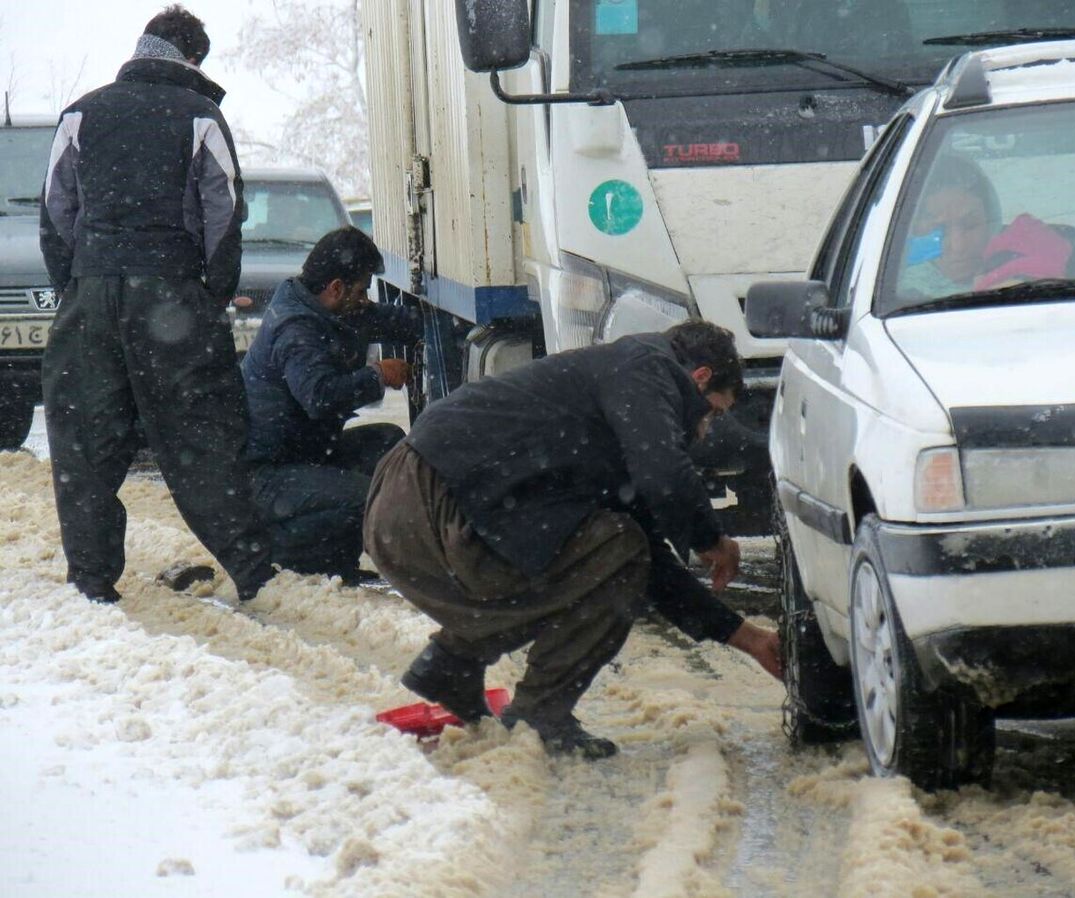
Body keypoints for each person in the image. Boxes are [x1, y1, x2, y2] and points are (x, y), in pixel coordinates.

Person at [363, 321, 783, 759]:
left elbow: (654, 569)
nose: (707, 429)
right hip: (429, 502)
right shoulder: (646, 366)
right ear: (700, 378)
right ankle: (539, 712)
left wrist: (749, 639)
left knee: (607, 559)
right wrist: (709, 537)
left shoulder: (621, 386)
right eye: (714, 412)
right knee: (617, 554)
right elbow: (665, 476)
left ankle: (453, 666)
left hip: (406, 512)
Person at [39, 5, 274, 604]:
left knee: (85, 441)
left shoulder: (80, 112)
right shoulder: (200, 114)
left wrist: (80, 283)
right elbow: (223, 215)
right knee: (200, 435)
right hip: (170, 293)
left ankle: (91, 581)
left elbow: (56, 211)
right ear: (192, 58)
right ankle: (255, 574)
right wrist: (208, 292)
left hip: (90, 291)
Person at [241, 226, 421, 582]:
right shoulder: (296, 329)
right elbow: (319, 398)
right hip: (266, 476)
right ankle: (300, 562)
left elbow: (388, 320)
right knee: (365, 498)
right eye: (362, 289)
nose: (366, 299)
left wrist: (426, 324)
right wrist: (378, 375)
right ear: (336, 288)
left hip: (305, 453)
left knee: (389, 445)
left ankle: (379, 551)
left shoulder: (331, 308)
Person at [899, 153, 1073, 298]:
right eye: (939, 229)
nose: (958, 246)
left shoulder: (1031, 270)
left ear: (992, 221)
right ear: (915, 229)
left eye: (970, 225)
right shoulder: (893, 291)